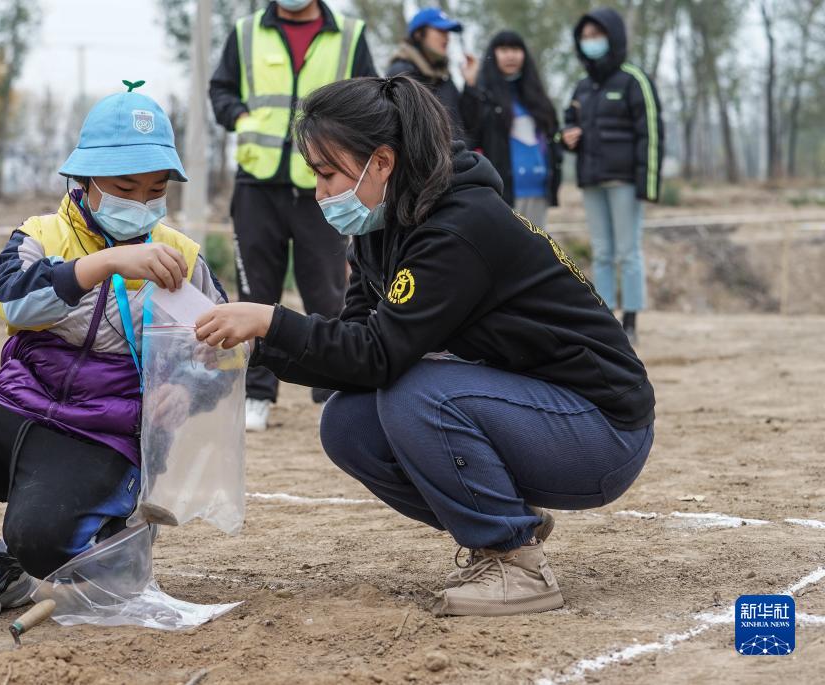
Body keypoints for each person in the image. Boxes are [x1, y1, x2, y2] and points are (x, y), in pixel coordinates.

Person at [194, 76, 655, 617]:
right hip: (535, 410)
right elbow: (355, 348)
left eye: (327, 173)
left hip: (601, 433)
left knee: (416, 390)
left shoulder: (459, 228)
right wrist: (253, 346)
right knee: (348, 424)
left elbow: (378, 355)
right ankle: (503, 525)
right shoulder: (381, 225)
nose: (319, 192)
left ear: (382, 163)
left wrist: (272, 321)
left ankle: (516, 564)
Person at [0, 82, 228, 625]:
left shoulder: (183, 257)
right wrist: (104, 265)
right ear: (85, 180)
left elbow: (223, 357)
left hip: (103, 439)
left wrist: (187, 389)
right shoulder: (39, 236)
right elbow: (13, 303)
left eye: (155, 191)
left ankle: (113, 531)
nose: (142, 202)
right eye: (126, 186)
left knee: (41, 540)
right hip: (14, 415)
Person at [209, 0, 377, 432]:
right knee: (255, 289)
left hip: (323, 180)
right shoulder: (245, 31)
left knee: (327, 288)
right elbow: (220, 90)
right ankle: (257, 393)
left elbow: (370, 96)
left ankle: (333, 387)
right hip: (257, 182)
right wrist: (240, 116)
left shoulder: (350, 35)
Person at [562, 7, 664, 344]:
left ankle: (631, 319)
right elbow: (566, 126)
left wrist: (647, 185)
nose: (591, 42)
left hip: (624, 181)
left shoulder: (634, 79)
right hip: (592, 180)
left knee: (628, 251)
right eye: (586, 37)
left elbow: (651, 132)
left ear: (613, 37)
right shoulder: (582, 87)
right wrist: (567, 137)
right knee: (602, 251)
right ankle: (605, 319)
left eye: (597, 35)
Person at [464, 31, 561, 228]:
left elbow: (553, 138)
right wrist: (470, 87)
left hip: (538, 192)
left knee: (537, 254)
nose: (511, 55)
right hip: (502, 194)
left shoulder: (538, 97)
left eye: (516, 49)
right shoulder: (483, 96)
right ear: (494, 54)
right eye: (504, 49)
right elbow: (469, 131)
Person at [386, 7, 477, 139]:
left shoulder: (443, 77)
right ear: (419, 34)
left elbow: (467, 125)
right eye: (440, 30)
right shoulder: (401, 74)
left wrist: (470, 84)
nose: (447, 37)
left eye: (448, 32)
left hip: (458, 159)